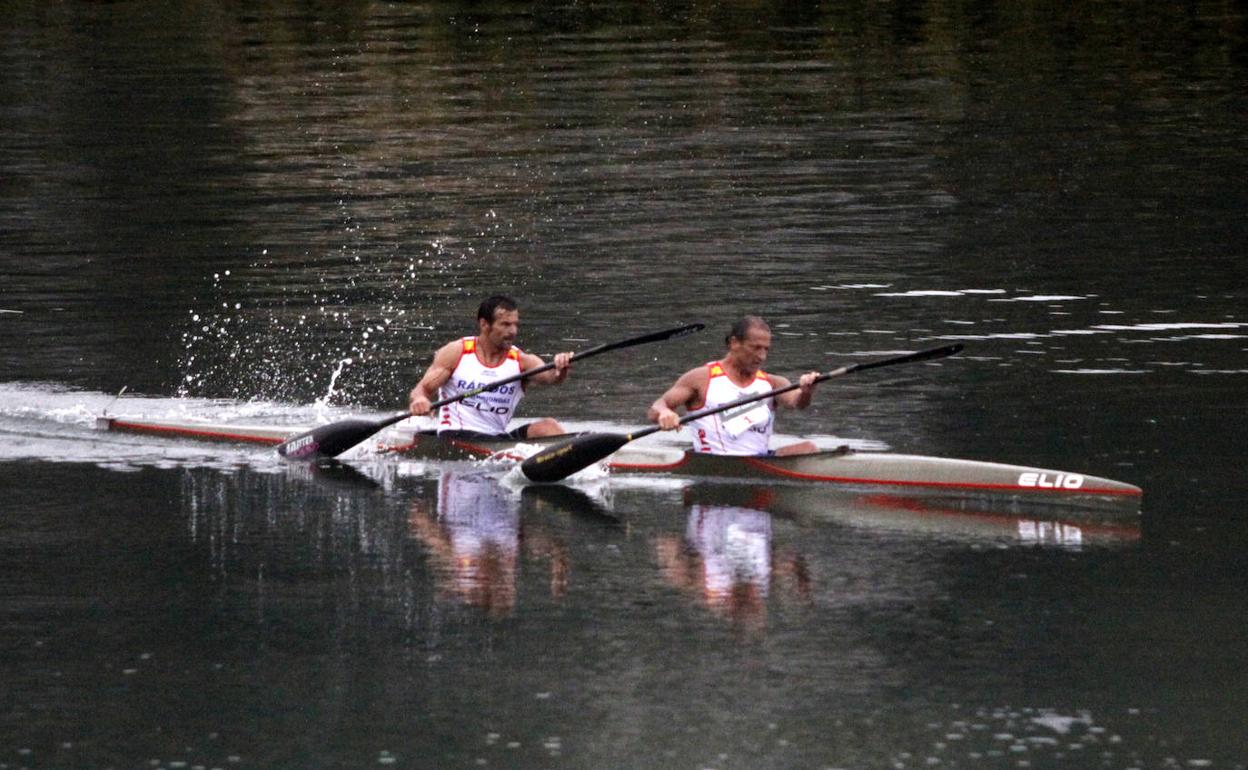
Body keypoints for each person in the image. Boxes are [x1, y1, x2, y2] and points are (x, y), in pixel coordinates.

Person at [647, 316, 821, 456]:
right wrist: (665, 413)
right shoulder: (701, 378)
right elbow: (656, 407)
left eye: (766, 349)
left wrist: (807, 391)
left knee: (809, 448)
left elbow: (797, 403)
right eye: (756, 348)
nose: (762, 356)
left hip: (758, 461)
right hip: (712, 463)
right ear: (734, 343)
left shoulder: (773, 383)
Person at [409, 295, 572, 439]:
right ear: (484, 324)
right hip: (456, 435)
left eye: (515, 324)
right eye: (505, 324)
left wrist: (561, 367)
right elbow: (422, 389)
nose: (513, 331)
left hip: (496, 438)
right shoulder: (457, 352)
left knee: (549, 427)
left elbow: (551, 377)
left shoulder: (522, 361)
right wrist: (420, 400)